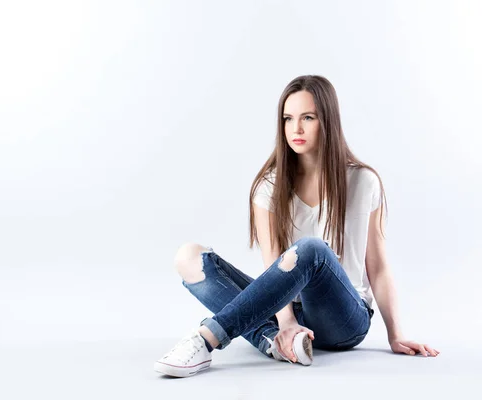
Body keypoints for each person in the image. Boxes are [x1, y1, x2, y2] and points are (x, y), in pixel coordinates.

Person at [154, 75, 440, 378]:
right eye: (288, 119)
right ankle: (277, 342)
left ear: (327, 120)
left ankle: (206, 339)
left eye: (308, 118)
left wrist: (395, 334)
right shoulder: (268, 186)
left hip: (345, 318)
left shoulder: (363, 181)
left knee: (312, 249)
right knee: (189, 257)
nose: (296, 129)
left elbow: (378, 267)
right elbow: (272, 264)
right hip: (290, 311)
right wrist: (287, 322)